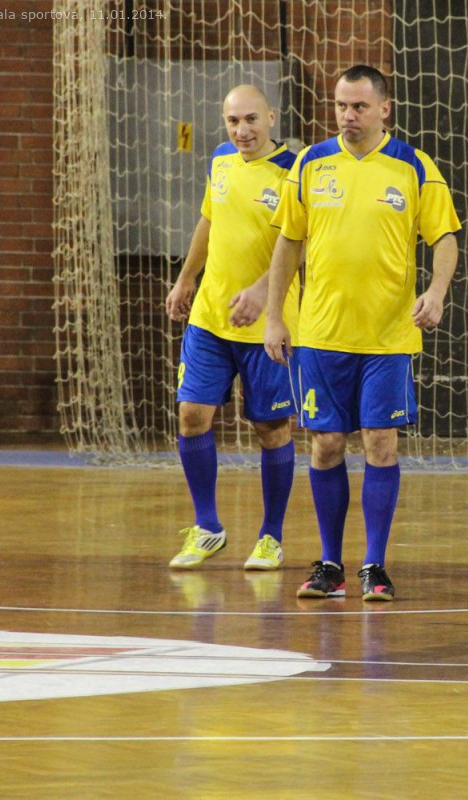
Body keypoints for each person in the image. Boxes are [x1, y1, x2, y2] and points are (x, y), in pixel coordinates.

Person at [263, 65, 461, 601]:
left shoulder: (413, 165)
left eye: (359, 107)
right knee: (326, 445)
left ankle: (374, 564)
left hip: (388, 337)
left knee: (379, 442)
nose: (348, 116)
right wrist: (275, 315)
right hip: (321, 334)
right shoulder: (310, 162)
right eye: (341, 106)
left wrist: (436, 291)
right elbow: (288, 242)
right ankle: (330, 564)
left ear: (384, 109)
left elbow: (444, 238)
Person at [165, 84, 300, 572]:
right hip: (210, 318)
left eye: (251, 119)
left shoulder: (295, 171)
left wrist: (264, 292)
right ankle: (207, 527)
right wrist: (186, 278)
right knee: (191, 414)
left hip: (270, 325)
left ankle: (271, 537)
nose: (242, 131)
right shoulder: (221, 159)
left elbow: (303, 243)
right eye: (233, 121)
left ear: (272, 117)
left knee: (271, 428)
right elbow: (209, 218)